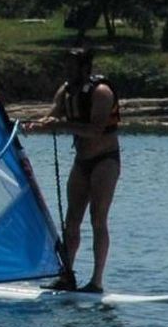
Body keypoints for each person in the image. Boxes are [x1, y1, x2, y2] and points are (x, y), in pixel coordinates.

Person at [26, 46, 120, 292]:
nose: (67, 69)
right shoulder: (66, 91)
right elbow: (51, 118)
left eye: (72, 65)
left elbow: (95, 130)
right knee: (72, 221)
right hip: (81, 162)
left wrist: (62, 124)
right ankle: (67, 275)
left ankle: (96, 281)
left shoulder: (101, 92)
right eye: (65, 65)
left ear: (85, 68)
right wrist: (33, 126)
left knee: (98, 218)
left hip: (105, 161)